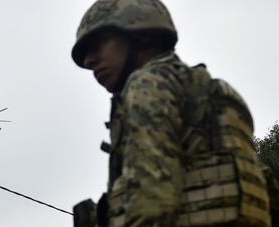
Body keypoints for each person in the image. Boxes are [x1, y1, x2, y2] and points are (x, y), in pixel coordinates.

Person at [71, 0, 272, 226]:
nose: (89, 61)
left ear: (141, 36)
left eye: (99, 44)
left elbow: (151, 201)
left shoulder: (147, 84)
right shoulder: (213, 90)